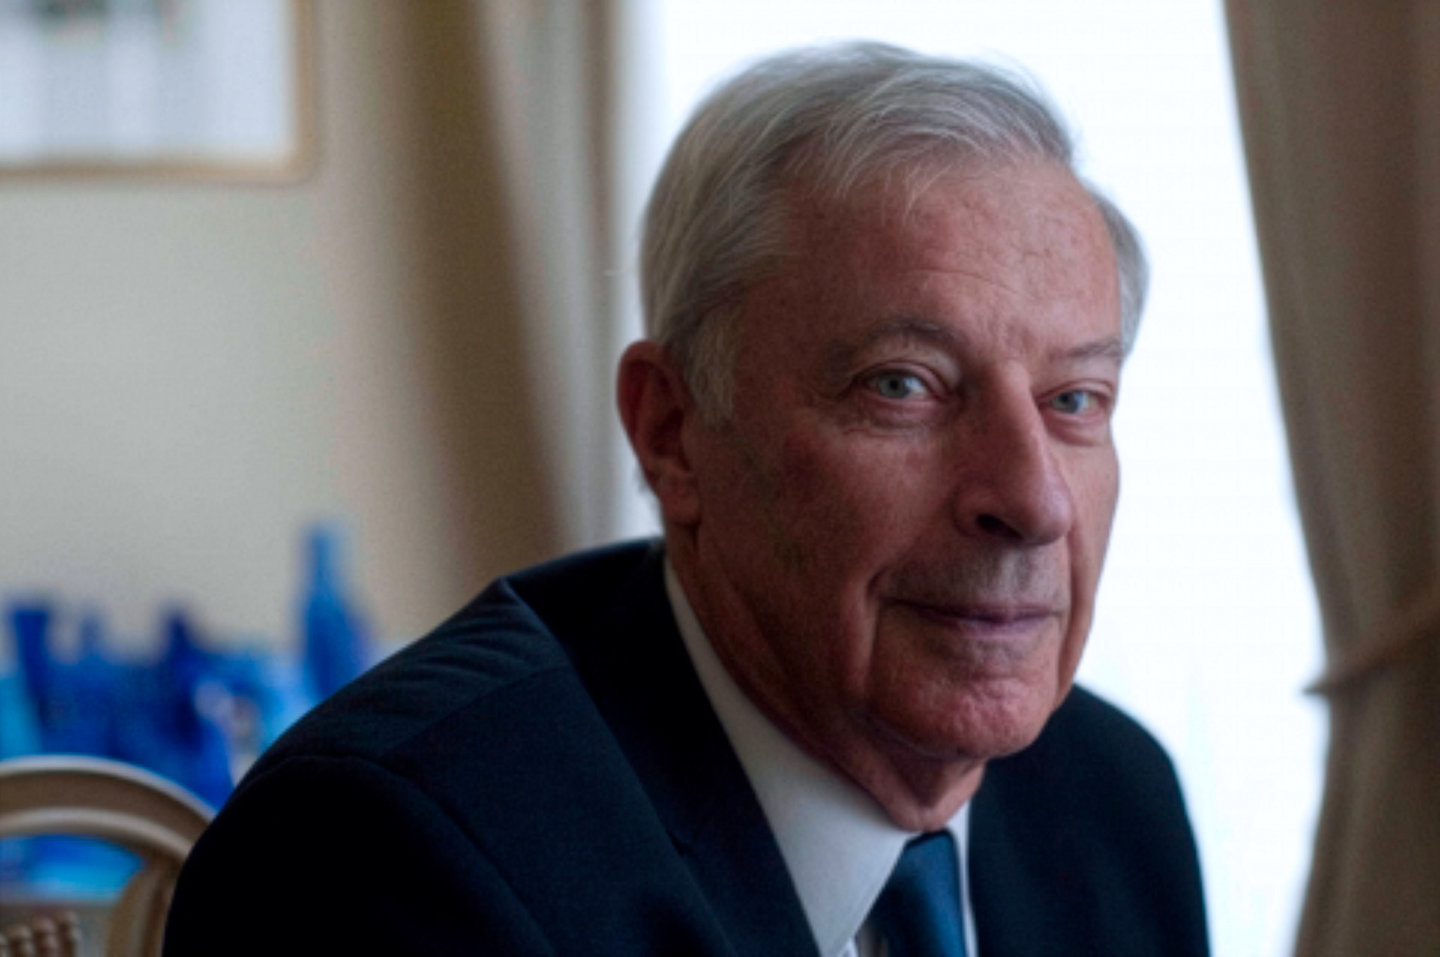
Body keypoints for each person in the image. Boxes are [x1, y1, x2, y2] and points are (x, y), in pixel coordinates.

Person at [164, 42, 1207, 956]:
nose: (1033, 501)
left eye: (1075, 400)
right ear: (671, 430)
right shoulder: (385, 853)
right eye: (903, 385)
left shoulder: (1111, 799)